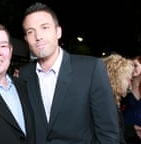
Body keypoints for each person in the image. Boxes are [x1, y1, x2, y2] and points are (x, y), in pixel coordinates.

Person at [19, 2, 119, 144]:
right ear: (26, 39)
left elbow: (108, 134)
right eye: (30, 31)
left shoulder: (91, 69)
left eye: (45, 27)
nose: (38, 36)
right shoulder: (24, 74)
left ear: (58, 32)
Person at [102, 53, 134, 144]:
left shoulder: (104, 99)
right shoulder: (107, 105)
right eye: (128, 79)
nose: (130, 86)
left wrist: (131, 129)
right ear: (118, 78)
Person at [122, 55, 141, 143]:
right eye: (130, 65)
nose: (132, 68)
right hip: (125, 136)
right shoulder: (122, 88)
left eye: (135, 65)